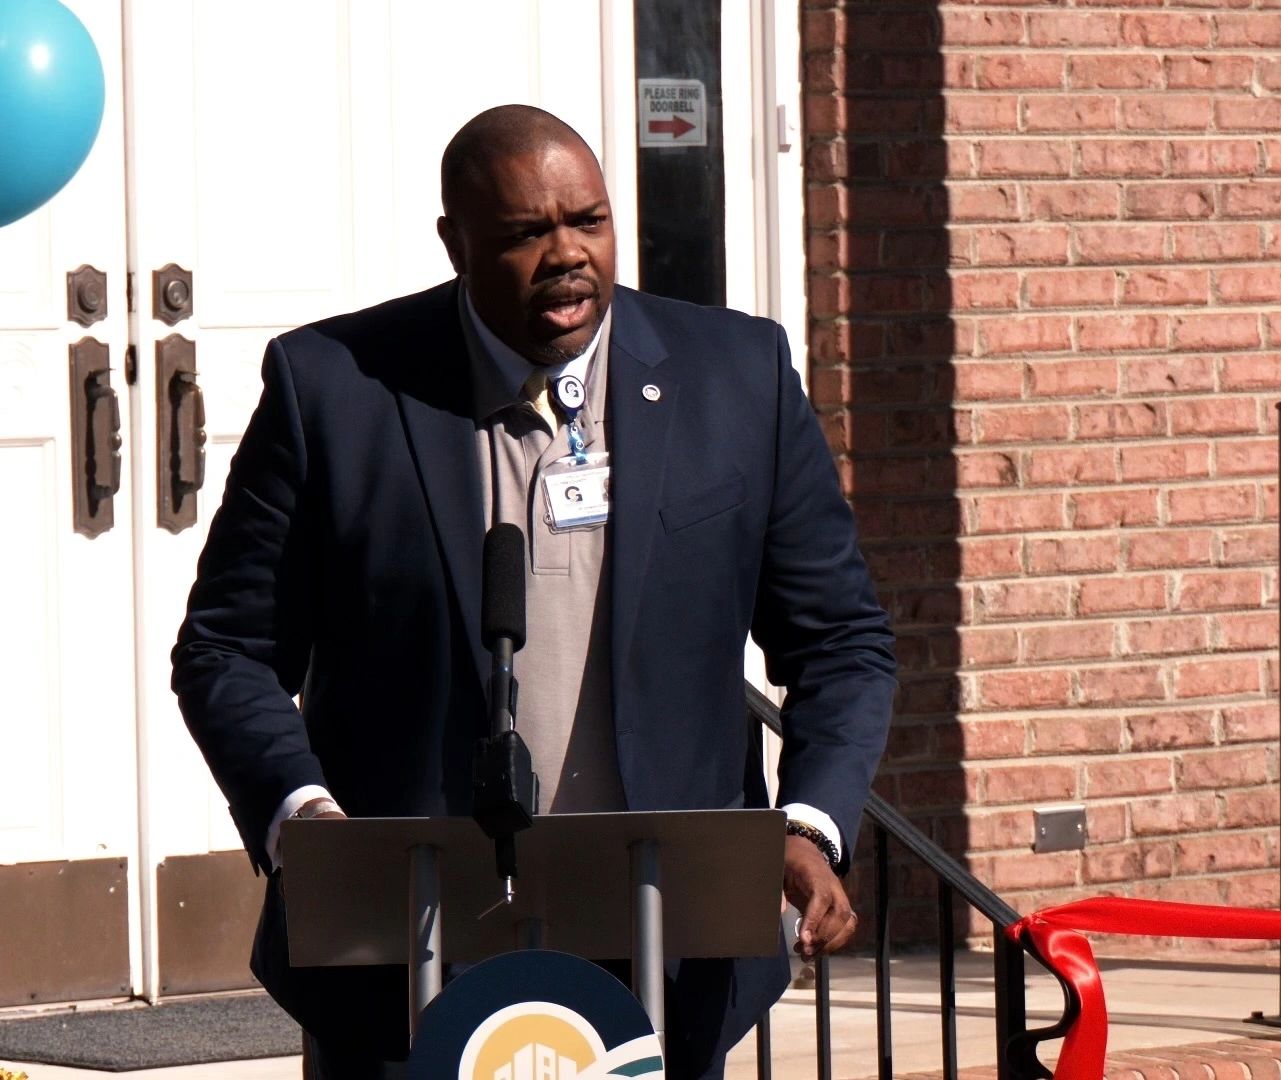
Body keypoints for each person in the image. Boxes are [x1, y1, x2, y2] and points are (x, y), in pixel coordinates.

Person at [171, 104, 895, 1080]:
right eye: (524, 234)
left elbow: (842, 641)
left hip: (665, 943)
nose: (567, 255)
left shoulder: (739, 377)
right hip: (406, 948)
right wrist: (305, 818)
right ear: (454, 242)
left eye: (588, 221)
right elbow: (227, 649)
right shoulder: (336, 391)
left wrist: (808, 825)